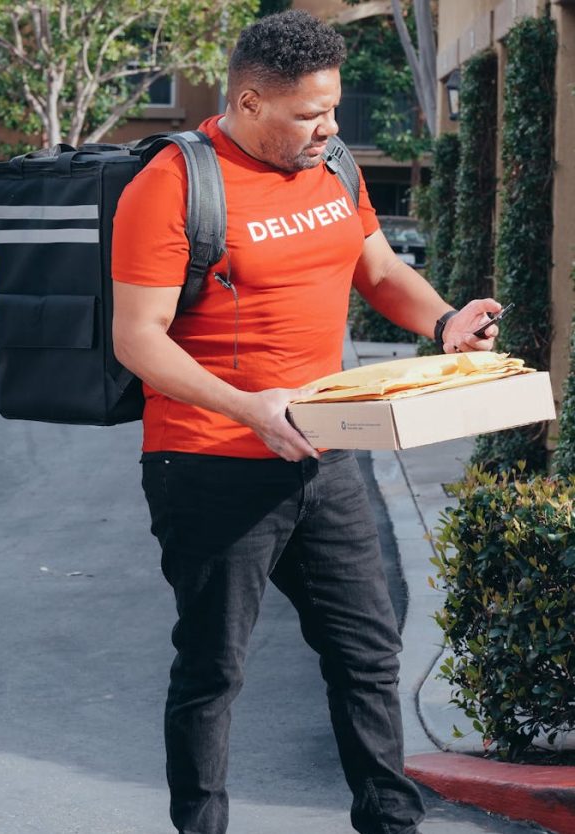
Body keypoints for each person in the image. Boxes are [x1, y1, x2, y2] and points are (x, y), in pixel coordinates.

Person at [111, 10, 500, 834]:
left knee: (366, 653)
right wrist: (247, 406)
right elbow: (137, 339)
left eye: (331, 108)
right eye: (308, 114)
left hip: (327, 455)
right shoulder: (175, 183)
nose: (328, 126)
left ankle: (391, 823)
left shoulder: (335, 167)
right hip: (210, 460)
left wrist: (442, 324)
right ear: (250, 103)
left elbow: (380, 269)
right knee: (214, 669)